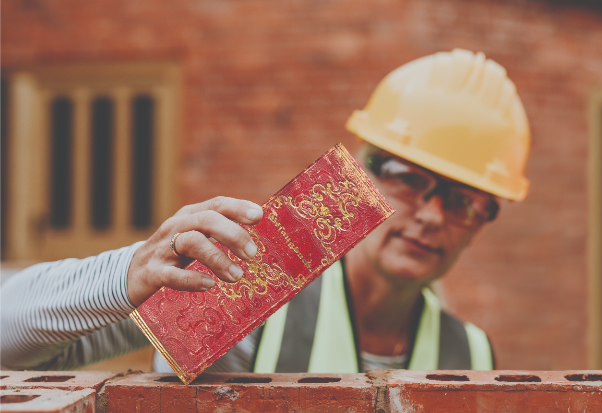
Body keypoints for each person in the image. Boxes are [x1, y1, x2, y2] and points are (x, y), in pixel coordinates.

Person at [1, 49, 530, 373]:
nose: (434, 216)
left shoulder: (472, 357)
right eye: (411, 180)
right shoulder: (254, 286)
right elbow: (8, 340)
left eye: (464, 200)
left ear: (483, 219)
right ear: (361, 172)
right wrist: (129, 274)